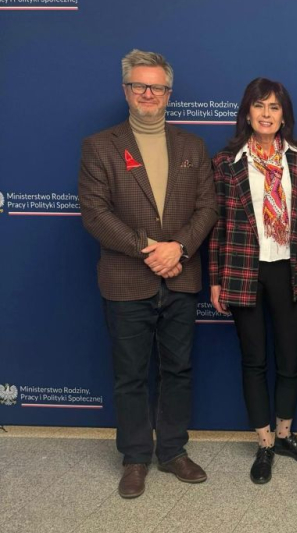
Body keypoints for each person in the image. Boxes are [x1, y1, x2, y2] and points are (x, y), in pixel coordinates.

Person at [78, 49, 217, 498]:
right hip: (126, 280)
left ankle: (173, 451)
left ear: (169, 93)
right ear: (126, 90)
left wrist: (179, 248)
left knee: (178, 370)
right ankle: (135, 457)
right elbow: (95, 213)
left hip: (180, 274)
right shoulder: (100, 146)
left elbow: (207, 207)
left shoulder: (193, 147)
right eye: (140, 85)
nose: (148, 93)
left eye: (157, 87)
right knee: (130, 375)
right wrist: (149, 250)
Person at [208, 78, 297, 485]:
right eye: (259, 106)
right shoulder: (226, 162)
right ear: (247, 113)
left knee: (289, 359)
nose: (267, 114)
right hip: (244, 269)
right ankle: (265, 443)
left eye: (274, 107)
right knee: (253, 360)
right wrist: (216, 279)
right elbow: (217, 225)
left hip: (290, 268)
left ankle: (286, 435)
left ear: (284, 116)